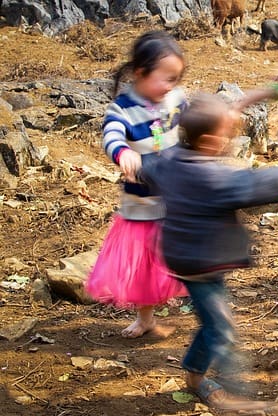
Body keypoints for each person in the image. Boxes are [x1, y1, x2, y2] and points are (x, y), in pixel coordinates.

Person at [138, 92, 278, 411]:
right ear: (210, 140)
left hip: (186, 258)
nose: (231, 138)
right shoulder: (213, 178)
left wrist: (130, 162)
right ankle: (233, 394)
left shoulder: (170, 160)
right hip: (200, 265)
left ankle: (194, 374)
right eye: (228, 133)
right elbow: (266, 183)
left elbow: (146, 167)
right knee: (222, 328)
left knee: (212, 323)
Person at [86, 30, 188, 338]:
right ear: (141, 73)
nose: (171, 85)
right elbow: (112, 134)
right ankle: (146, 318)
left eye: (176, 78)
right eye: (166, 78)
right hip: (142, 204)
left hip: (174, 198)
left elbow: (191, 124)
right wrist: (123, 152)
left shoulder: (174, 98)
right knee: (144, 264)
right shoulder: (123, 108)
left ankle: (200, 298)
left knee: (179, 252)